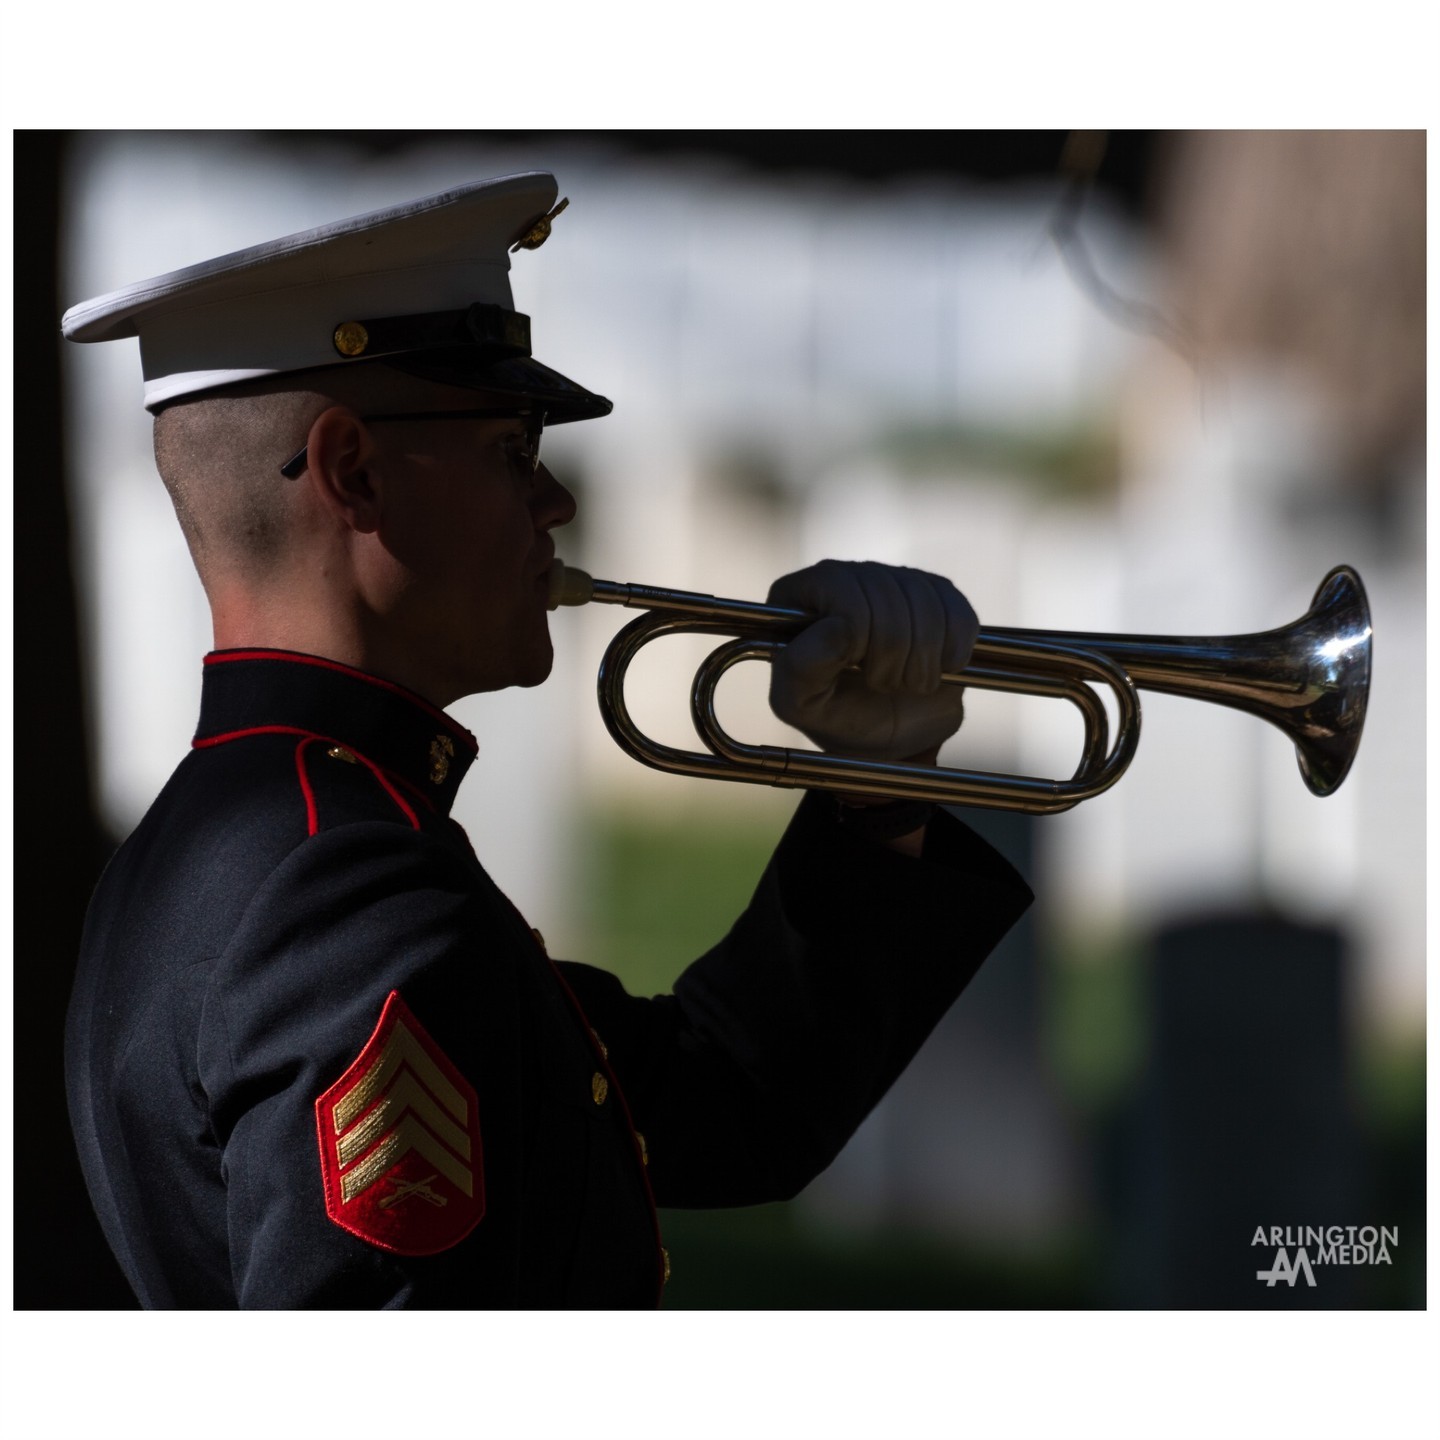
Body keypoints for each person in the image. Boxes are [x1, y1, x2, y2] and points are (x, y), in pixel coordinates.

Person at [62, 171, 1033, 1308]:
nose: (557, 501)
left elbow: (727, 1110)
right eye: (512, 450)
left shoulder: (264, 844)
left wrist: (877, 789)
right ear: (353, 473)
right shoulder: (343, 895)